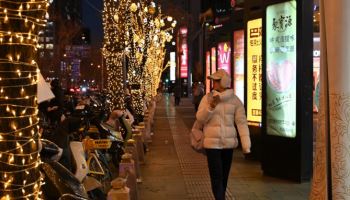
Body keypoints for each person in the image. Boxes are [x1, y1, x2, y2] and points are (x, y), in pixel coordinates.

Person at [196, 69, 251, 200]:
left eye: (215, 81)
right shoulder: (207, 98)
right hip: (212, 145)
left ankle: (220, 197)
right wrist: (211, 107)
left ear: (223, 82)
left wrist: (246, 144)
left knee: (224, 176)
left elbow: (241, 122)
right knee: (216, 175)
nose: (213, 83)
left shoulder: (235, 100)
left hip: (228, 144)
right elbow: (200, 119)